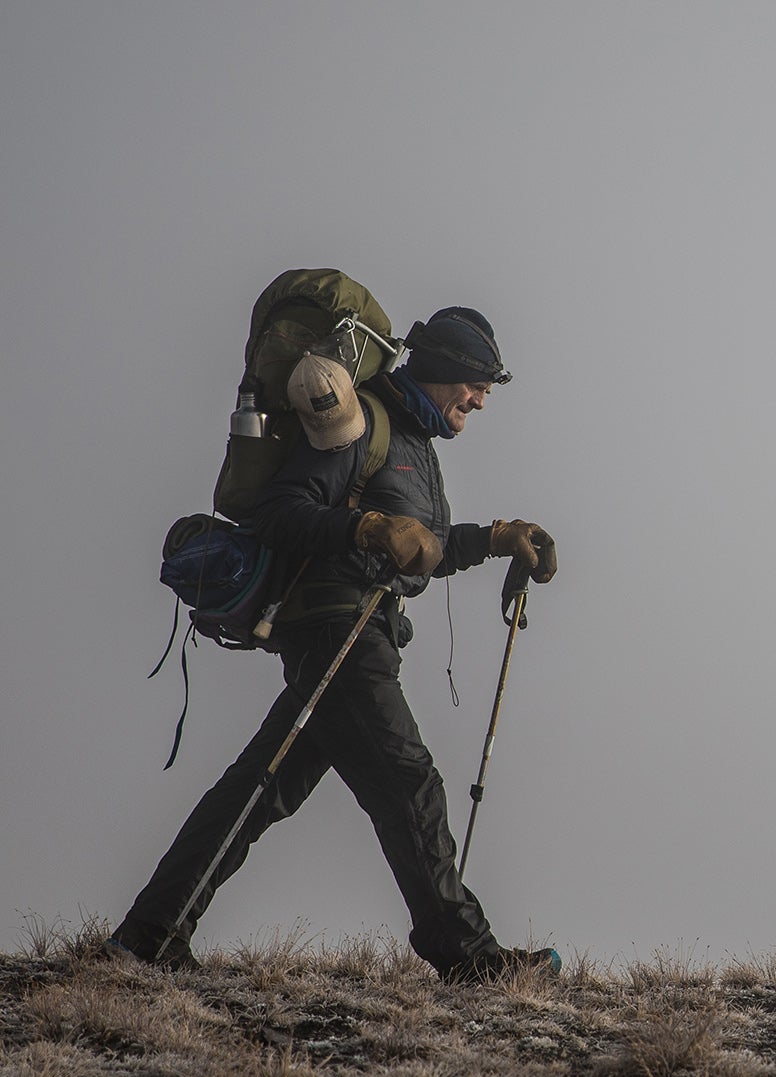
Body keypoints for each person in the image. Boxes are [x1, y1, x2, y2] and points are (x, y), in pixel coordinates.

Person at [107, 308, 558, 981]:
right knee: (410, 783)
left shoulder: (414, 444)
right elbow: (282, 510)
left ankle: (147, 936)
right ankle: (471, 958)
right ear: (442, 374)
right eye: (476, 382)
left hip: (358, 632)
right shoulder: (363, 425)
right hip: (337, 630)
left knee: (257, 791)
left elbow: (423, 549)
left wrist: (497, 539)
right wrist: (369, 529)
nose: (483, 397)